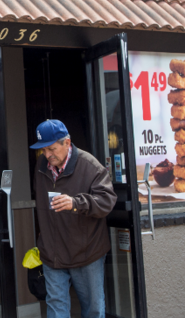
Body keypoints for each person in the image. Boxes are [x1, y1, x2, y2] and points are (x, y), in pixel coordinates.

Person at [31, 119, 117, 318]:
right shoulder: (41, 165)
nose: (47, 155)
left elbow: (107, 200)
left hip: (86, 251)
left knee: (93, 309)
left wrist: (76, 203)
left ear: (67, 143)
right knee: (56, 306)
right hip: (52, 251)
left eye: (52, 149)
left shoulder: (90, 165)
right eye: (43, 150)